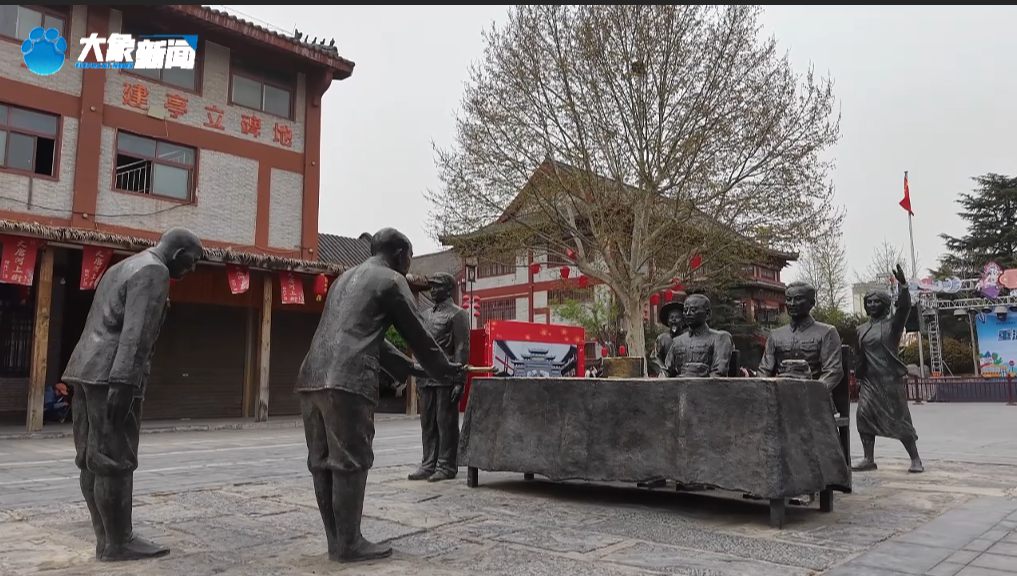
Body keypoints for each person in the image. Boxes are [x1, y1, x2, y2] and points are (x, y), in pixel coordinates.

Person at [295, 227, 464, 564]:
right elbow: (417, 335)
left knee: (321, 463)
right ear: (400, 254)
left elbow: (371, 338)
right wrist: (444, 369)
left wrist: (414, 369)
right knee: (350, 462)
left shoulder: (344, 280)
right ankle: (349, 544)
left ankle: (337, 542)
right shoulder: (391, 280)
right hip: (347, 379)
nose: (409, 264)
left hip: (311, 377)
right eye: (410, 256)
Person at [63, 227, 203, 561]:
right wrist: (124, 382)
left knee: (91, 459)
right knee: (115, 460)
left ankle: (106, 540)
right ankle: (118, 542)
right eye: (193, 261)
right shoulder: (154, 271)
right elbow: (136, 333)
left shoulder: (121, 267)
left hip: (84, 368)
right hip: (111, 374)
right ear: (179, 253)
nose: (193, 269)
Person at [852, 264, 924, 473]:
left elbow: (904, 308)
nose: (872, 304)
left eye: (876, 301)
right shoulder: (861, 330)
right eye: (869, 302)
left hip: (889, 381)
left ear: (884, 304)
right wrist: (857, 376)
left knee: (900, 419)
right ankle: (868, 458)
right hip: (869, 382)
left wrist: (903, 286)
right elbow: (858, 356)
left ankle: (915, 459)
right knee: (863, 416)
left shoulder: (892, 325)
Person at [408, 273, 470, 483]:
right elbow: (419, 344)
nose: (433, 290)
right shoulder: (425, 315)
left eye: (437, 287)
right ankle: (428, 463)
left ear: (449, 289)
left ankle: (446, 465)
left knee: (445, 422)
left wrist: (460, 379)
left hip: (446, 376)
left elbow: (462, 348)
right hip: (426, 376)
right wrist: (417, 373)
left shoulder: (458, 314)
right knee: (427, 422)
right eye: (431, 287)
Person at [664, 293, 734, 377]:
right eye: (685, 310)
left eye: (693, 310)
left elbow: (718, 372)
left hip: (706, 384)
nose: (688, 313)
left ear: (708, 313)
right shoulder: (677, 341)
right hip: (679, 384)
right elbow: (666, 371)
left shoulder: (720, 338)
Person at [651, 299, 684, 376]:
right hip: (666, 374)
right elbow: (655, 357)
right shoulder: (662, 338)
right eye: (671, 317)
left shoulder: (688, 338)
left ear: (683, 321)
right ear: (668, 321)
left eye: (677, 317)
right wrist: (663, 370)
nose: (674, 320)